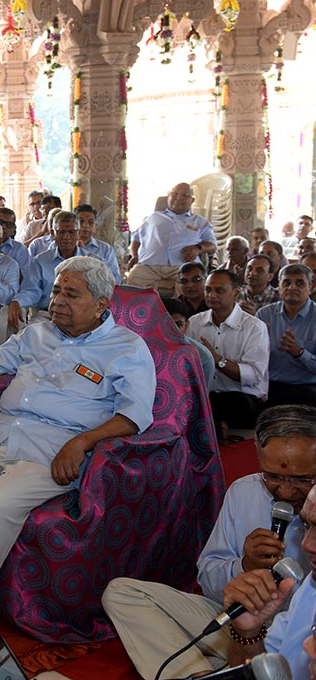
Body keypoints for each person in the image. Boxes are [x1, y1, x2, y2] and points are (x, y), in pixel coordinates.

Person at [0, 256, 155, 653]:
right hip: (3, 431)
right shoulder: (36, 333)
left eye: (71, 294)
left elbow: (135, 416)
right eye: (56, 291)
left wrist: (82, 442)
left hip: (57, 448)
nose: (58, 301)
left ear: (101, 305)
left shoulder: (126, 348)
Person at [102, 405, 314, 679]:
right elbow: (208, 581)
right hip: (241, 624)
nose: (285, 490)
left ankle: (224, 670)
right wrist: (245, 566)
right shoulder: (243, 492)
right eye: (272, 476)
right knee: (122, 593)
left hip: (301, 637)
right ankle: (200, 674)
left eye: (301, 479)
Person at [219, 480, 316, 679]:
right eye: (307, 525)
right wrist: (249, 633)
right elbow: (262, 671)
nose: (306, 544)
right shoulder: (310, 587)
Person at [187, 270, 269, 436]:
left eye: (219, 290)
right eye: (208, 290)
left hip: (242, 398)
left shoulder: (254, 327)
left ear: (236, 292)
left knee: (235, 403)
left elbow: (253, 376)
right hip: (207, 396)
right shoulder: (195, 322)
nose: (211, 295)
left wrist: (216, 360)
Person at [127, 183, 217, 294]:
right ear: (168, 196)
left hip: (183, 266)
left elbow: (212, 245)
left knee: (192, 284)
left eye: (185, 196)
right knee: (133, 278)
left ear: (192, 200)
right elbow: (136, 238)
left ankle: (183, 305)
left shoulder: (200, 222)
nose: (178, 198)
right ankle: (142, 306)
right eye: (175, 194)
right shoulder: (152, 218)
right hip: (149, 265)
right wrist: (135, 256)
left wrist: (198, 248)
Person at [11, 211, 85, 330]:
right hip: (48, 315)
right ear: (52, 233)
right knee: (31, 333)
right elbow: (31, 290)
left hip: (82, 316)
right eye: (61, 232)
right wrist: (17, 302)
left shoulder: (90, 261)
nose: (66, 237)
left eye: (71, 232)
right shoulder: (40, 261)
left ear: (78, 233)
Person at [259, 265, 316, 407]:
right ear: (278, 286)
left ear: (310, 286)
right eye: (286, 283)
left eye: (299, 283)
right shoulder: (264, 314)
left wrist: (300, 353)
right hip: (270, 386)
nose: (292, 288)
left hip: (308, 388)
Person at [163, 298, 216, 387]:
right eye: (167, 325)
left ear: (186, 325)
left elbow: (202, 393)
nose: (172, 330)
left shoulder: (202, 357)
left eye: (178, 325)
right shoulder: (143, 351)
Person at [74, 204, 121, 283]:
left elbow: (115, 279)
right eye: (81, 221)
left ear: (95, 226)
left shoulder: (106, 249)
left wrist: (85, 253)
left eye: (90, 222)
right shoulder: (66, 246)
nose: (85, 225)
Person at [0, 207, 32, 278]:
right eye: (0, 222)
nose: (3, 227)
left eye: (9, 224)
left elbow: (23, 279)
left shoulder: (20, 249)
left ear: (13, 229)